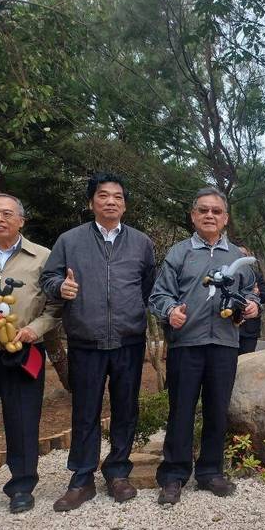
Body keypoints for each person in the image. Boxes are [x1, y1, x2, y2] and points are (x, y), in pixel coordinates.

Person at [41, 173, 155, 511]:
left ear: (125, 204)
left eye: (117, 197)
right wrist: (61, 288)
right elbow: (48, 278)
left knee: (125, 409)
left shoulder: (141, 242)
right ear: (92, 201)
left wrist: (135, 314)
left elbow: (148, 286)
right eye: (103, 196)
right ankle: (82, 479)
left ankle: (118, 472)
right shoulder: (69, 241)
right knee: (85, 410)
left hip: (129, 341)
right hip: (86, 340)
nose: (111, 201)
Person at [149, 187, 259, 506]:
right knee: (181, 410)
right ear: (193, 215)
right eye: (203, 210)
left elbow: (251, 292)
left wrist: (252, 306)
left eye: (216, 211)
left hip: (224, 344)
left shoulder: (238, 257)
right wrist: (170, 311)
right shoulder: (180, 253)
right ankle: (173, 475)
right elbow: (158, 295)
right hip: (186, 344)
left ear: (225, 218)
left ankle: (211, 471)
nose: (209, 215)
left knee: (217, 410)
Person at [0, 194, 61, 514]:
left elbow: (55, 307)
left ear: (21, 220)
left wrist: (35, 330)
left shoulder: (42, 257)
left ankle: (22, 486)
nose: (0, 219)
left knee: (24, 420)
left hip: (25, 351)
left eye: (8, 214)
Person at [237, 245, 265, 355]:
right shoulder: (227, 275)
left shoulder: (257, 276)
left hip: (250, 329)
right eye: (238, 255)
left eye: (244, 255)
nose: (241, 258)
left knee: (246, 361)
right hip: (229, 329)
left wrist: (257, 293)